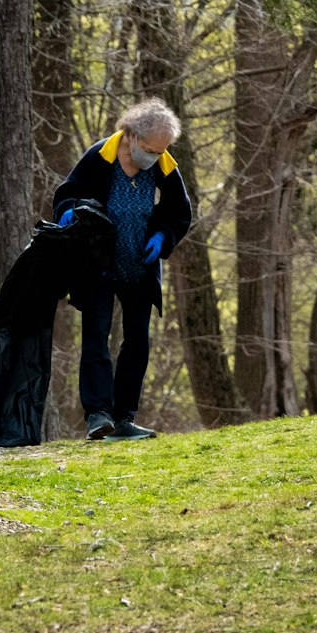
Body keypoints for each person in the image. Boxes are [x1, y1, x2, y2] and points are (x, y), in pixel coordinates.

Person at [53, 99, 192, 440]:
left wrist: (163, 236)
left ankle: (125, 417)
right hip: (98, 266)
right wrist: (70, 214)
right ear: (130, 135)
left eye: (160, 151)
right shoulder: (100, 156)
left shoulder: (163, 164)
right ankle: (98, 416)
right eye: (147, 149)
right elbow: (67, 193)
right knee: (97, 337)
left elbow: (180, 211)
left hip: (140, 267)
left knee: (137, 344)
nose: (153, 157)